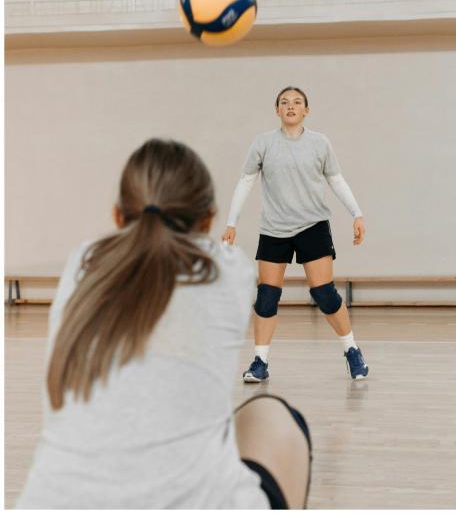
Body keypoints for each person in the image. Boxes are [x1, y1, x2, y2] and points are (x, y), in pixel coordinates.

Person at [16, 139, 311, 510]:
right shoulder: (228, 269)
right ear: (208, 219)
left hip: (47, 503)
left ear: (118, 216)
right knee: (273, 415)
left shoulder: (82, 263)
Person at [222, 87, 369, 382]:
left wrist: (356, 213)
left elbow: (336, 181)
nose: (291, 106)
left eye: (297, 102)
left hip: (313, 226)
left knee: (324, 294)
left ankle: (352, 350)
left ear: (306, 111)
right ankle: (260, 362)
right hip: (274, 228)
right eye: (285, 103)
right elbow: (245, 181)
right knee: (266, 296)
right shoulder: (263, 143)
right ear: (277, 110)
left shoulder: (319, 143)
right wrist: (231, 222)